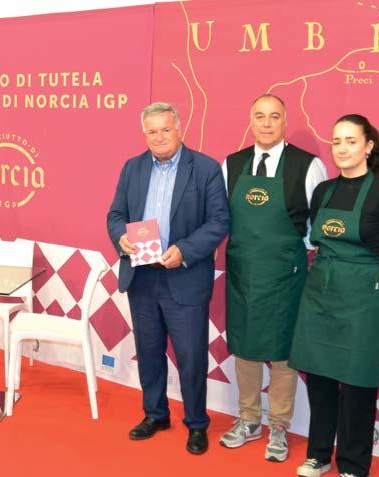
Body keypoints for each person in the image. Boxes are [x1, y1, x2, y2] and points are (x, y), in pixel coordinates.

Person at [107, 102, 229, 455]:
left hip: (185, 276)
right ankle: (155, 414)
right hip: (142, 277)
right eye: (152, 131)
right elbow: (115, 215)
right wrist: (121, 236)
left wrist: (184, 250)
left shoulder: (205, 168)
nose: (159, 137)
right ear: (143, 134)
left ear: (179, 128)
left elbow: (219, 221)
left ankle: (196, 423)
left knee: (191, 357)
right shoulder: (132, 168)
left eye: (165, 129)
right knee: (149, 352)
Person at [220, 94, 327, 462]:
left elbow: (317, 226)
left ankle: (279, 425)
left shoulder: (308, 165)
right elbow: (221, 217)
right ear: (251, 120)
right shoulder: (231, 164)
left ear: (285, 121)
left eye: (274, 117)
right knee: (245, 349)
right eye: (260, 116)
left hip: (285, 275)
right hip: (243, 273)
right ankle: (249, 419)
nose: (267, 124)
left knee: (283, 353)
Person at [289, 114, 379, 477]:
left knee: (358, 380)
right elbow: (316, 240)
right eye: (337, 141)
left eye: (351, 140)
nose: (342, 148)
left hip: (363, 297)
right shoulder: (323, 191)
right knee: (320, 377)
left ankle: (354, 463)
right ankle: (318, 454)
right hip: (320, 293)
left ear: (368, 146)